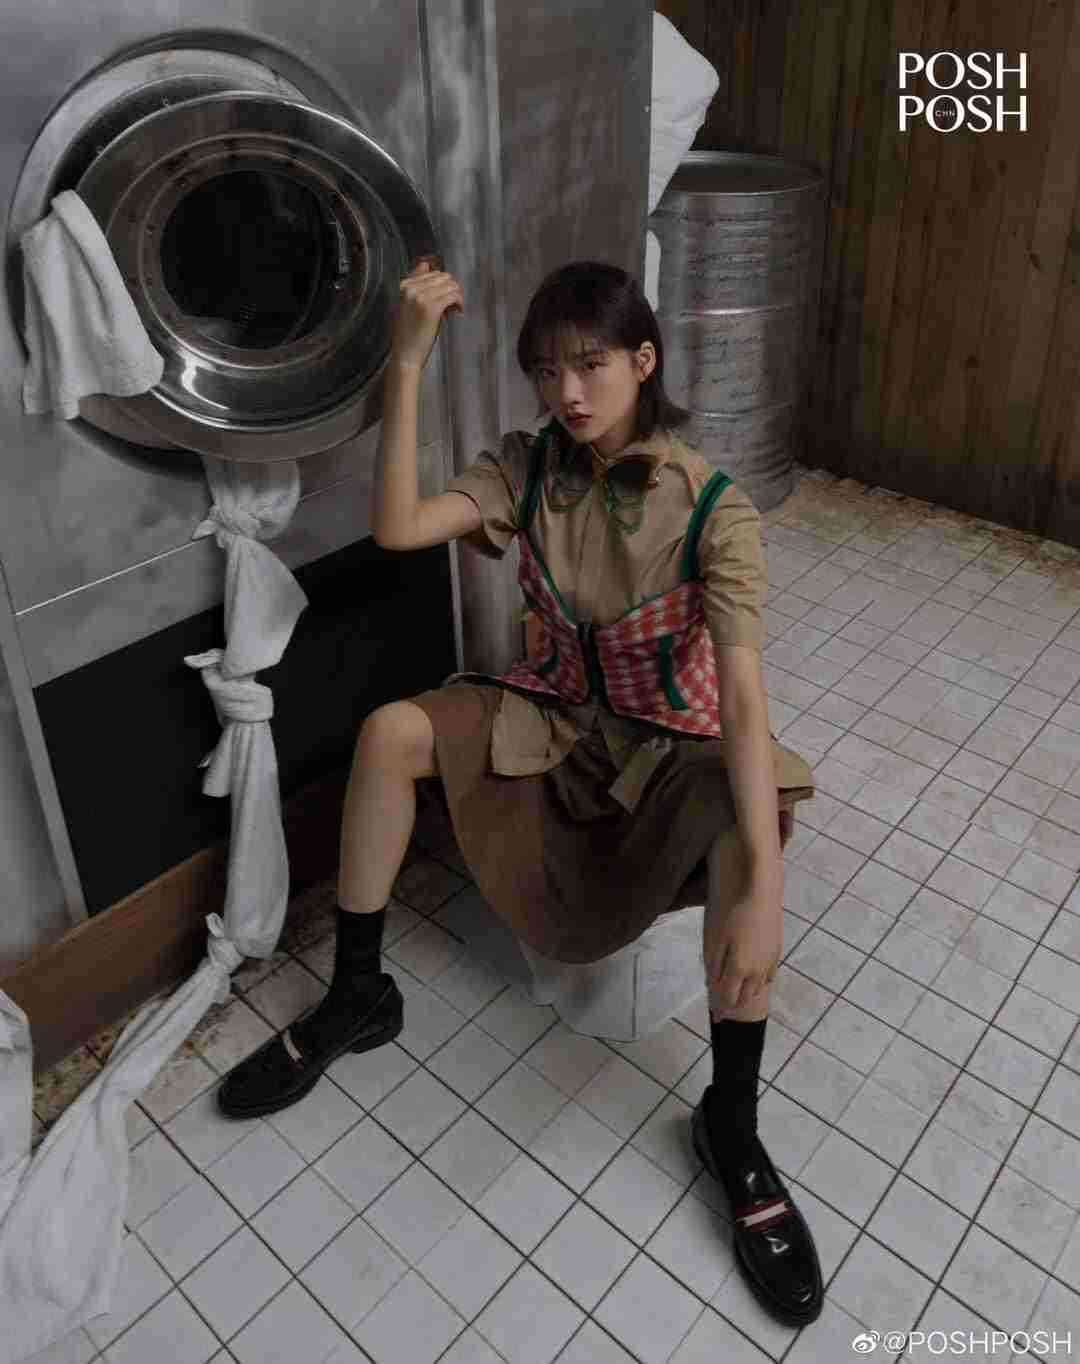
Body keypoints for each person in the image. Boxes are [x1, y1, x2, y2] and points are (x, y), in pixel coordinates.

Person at [218, 257, 823, 1326]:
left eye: (591, 365)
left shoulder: (716, 511)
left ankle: (730, 1120)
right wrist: (406, 360)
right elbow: (399, 525)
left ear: (645, 360)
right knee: (391, 733)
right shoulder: (527, 466)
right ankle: (361, 993)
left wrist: (768, 893)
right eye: (547, 371)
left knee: (751, 824)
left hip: (668, 743)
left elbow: (739, 698)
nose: (568, 392)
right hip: (556, 718)